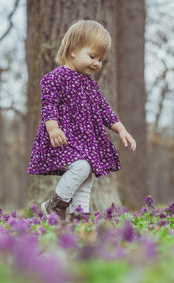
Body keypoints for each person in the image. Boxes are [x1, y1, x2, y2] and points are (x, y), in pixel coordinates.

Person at [28, 20, 136, 222]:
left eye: (101, 59)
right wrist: (53, 129)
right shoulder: (56, 78)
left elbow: (104, 110)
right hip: (62, 138)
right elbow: (48, 105)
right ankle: (53, 206)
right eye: (92, 56)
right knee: (82, 168)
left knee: (86, 178)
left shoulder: (91, 85)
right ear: (73, 51)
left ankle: (80, 217)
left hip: (84, 141)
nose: (97, 63)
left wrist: (121, 129)